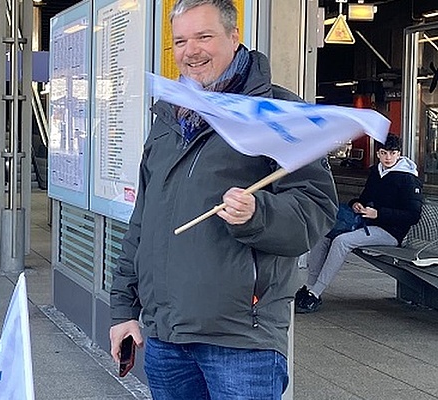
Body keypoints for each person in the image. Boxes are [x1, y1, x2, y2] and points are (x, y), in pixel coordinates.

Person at [108, 1, 338, 398]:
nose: (190, 51)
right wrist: (124, 309)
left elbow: (314, 211)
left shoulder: (277, 113)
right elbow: (142, 223)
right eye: (180, 41)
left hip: (241, 341)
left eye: (204, 37)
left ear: (234, 37)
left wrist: (256, 214)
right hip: (166, 337)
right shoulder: (168, 120)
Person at [295, 134, 423, 313]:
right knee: (324, 234)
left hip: (392, 233)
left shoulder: (408, 178)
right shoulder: (376, 171)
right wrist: (356, 203)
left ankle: (315, 293)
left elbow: (413, 215)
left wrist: (378, 214)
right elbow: (366, 198)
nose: (388, 158)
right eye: (384, 153)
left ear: (399, 154)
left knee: (342, 242)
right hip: (366, 223)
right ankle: (309, 286)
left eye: (392, 153)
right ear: (378, 153)